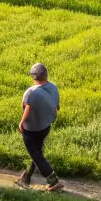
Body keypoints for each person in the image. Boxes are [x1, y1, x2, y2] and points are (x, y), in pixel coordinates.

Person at [17, 62, 63, 191]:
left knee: (36, 154)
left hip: (31, 129)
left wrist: (22, 122)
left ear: (34, 77)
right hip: (46, 127)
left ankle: (53, 181)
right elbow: (56, 109)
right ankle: (27, 177)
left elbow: (27, 108)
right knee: (36, 152)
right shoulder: (53, 88)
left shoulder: (30, 92)